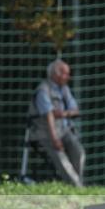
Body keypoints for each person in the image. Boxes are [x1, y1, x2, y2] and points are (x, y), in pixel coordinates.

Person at [28, 59, 84, 187]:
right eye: (66, 74)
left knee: (78, 152)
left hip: (64, 131)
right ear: (55, 74)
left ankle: (75, 183)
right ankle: (77, 187)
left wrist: (63, 114)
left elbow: (75, 110)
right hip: (46, 134)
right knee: (61, 158)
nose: (68, 77)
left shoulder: (64, 89)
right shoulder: (43, 91)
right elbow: (49, 115)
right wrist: (54, 139)